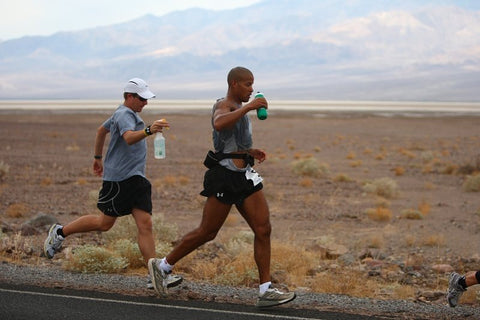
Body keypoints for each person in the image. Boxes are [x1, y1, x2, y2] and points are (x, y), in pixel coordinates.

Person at [148, 66, 296, 308]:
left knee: (263, 229)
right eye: (247, 84)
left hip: (244, 175)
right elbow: (219, 124)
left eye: (253, 84)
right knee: (208, 231)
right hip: (224, 176)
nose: (251, 89)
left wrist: (248, 151)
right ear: (234, 84)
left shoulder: (238, 108)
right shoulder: (224, 105)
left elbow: (231, 139)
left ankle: (266, 290)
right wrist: (249, 107)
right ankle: (163, 266)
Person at [43, 78, 182, 290]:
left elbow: (101, 130)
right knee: (104, 223)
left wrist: (97, 157)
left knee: (145, 224)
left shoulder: (126, 113)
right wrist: (148, 130)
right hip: (119, 180)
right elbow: (128, 138)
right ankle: (60, 232)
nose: (145, 103)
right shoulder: (123, 114)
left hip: (136, 178)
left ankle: (155, 276)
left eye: (146, 99)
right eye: (142, 99)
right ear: (129, 96)